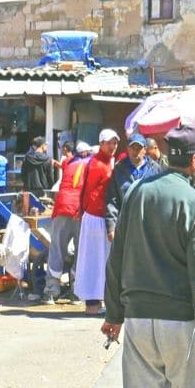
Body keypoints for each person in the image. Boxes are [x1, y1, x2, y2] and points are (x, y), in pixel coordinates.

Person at [101, 125, 195, 388]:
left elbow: (116, 259)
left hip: (138, 319)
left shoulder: (137, 193)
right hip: (183, 325)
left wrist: (114, 314)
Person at [75, 128, 118, 315]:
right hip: (96, 217)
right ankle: (92, 304)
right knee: (94, 260)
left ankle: (97, 302)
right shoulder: (97, 164)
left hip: (101, 216)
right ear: (101, 143)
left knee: (102, 260)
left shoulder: (107, 162)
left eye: (115, 142)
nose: (113, 146)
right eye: (109, 142)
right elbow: (91, 192)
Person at [45, 141, 92, 302]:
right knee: (81, 251)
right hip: (79, 211)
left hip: (62, 208)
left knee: (57, 249)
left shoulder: (68, 163)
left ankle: (51, 290)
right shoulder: (92, 164)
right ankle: (76, 291)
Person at [105, 132, 163, 241]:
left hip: (149, 224)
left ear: (145, 150)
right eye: (133, 147)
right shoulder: (119, 169)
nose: (135, 151)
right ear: (127, 148)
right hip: (126, 223)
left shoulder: (155, 169)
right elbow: (112, 199)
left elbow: (161, 198)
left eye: (139, 148)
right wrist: (111, 226)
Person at [21, 136, 54, 215]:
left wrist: (25, 184)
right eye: (46, 145)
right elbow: (50, 176)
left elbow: (23, 174)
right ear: (42, 146)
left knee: (29, 214)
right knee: (41, 213)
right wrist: (51, 188)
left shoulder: (27, 158)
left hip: (29, 190)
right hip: (42, 191)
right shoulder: (48, 159)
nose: (46, 147)